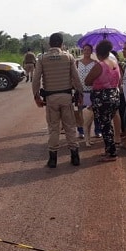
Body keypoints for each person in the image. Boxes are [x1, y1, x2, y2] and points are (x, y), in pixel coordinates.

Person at [32, 33, 83, 168]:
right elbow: (76, 78)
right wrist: (80, 93)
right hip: (66, 97)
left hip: (51, 99)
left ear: (50, 44)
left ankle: (53, 159)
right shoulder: (69, 57)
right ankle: (75, 157)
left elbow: (36, 79)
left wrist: (36, 96)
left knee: (54, 128)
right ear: (61, 44)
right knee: (70, 127)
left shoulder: (42, 59)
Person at [84, 39, 121, 162]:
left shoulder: (99, 65)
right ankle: (109, 150)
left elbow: (87, 81)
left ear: (99, 53)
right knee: (108, 125)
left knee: (105, 127)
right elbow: (119, 80)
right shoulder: (114, 63)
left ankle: (111, 153)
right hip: (114, 95)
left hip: (102, 98)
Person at [76, 44, 97, 145]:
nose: (87, 51)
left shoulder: (95, 63)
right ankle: (81, 132)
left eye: (88, 50)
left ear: (91, 51)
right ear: (82, 51)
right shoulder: (77, 63)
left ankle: (96, 131)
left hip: (91, 92)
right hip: (81, 92)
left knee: (92, 113)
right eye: (85, 49)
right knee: (80, 113)